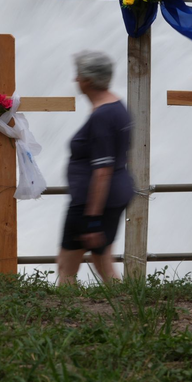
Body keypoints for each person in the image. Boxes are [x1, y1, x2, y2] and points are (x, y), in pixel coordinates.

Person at [57, 51, 133, 285]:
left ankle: (64, 315)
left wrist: (92, 220)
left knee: (66, 268)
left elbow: (102, 171)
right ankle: (128, 311)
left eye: (78, 75)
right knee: (103, 262)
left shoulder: (103, 116)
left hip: (91, 202)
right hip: (115, 195)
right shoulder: (117, 106)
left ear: (88, 80)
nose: (75, 80)